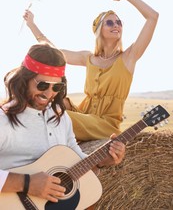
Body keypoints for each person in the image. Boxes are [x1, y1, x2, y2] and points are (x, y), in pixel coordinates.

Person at [23, 0, 159, 141]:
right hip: (84, 115)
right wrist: (32, 25)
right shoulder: (88, 58)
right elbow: (53, 51)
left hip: (105, 124)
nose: (116, 25)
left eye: (118, 22)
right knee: (49, 102)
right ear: (99, 30)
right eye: (110, 22)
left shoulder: (129, 57)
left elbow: (153, 17)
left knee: (58, 115)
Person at [0, 43, 125, 205]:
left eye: (56, 87)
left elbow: (76, 159)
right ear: (24, 79)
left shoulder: (61, 117)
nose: (48, 93)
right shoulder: (3, 120)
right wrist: (27, 183)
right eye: (42, 85)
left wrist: (102, 161)